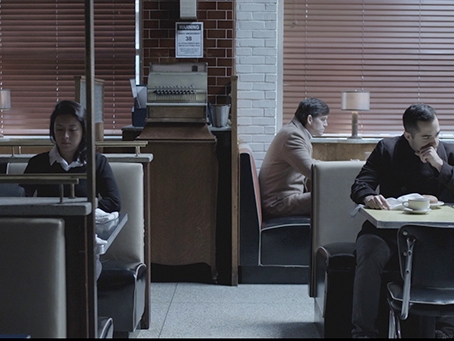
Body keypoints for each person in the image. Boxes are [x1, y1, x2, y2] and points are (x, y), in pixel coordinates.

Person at [350, 103, 454, 338]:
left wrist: (439, 166)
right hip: (387, 233)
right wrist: (369, 196)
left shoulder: (447, 153)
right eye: (426, 136)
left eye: (437, 134)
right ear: (408, 135)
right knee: (368, 252)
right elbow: (360, 184)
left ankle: (446, 331)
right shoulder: (387, 149)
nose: (434, 142)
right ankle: (363, 333)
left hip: (437, 234)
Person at [21, 100, 121, 279]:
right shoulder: (38, 163)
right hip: (45, 237)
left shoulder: (97, 162)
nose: (65, 136)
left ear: (83, 131)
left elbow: (114, 202)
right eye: (59, 129)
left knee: (84, 271)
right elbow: (21, 198)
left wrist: (82, 206)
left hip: (82, 238)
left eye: (72, 130)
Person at [259, 97, 329, 219]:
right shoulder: (293, 135)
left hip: (281, 199)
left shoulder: (294, 131)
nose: (326, 124)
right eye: (323, 120)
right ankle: (334, 237)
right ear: (310, 119)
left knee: (331, 194)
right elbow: (311, 170)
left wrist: (339, 166)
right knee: (333, 196)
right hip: (278, 204)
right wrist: (342, 170)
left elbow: (311, 164)